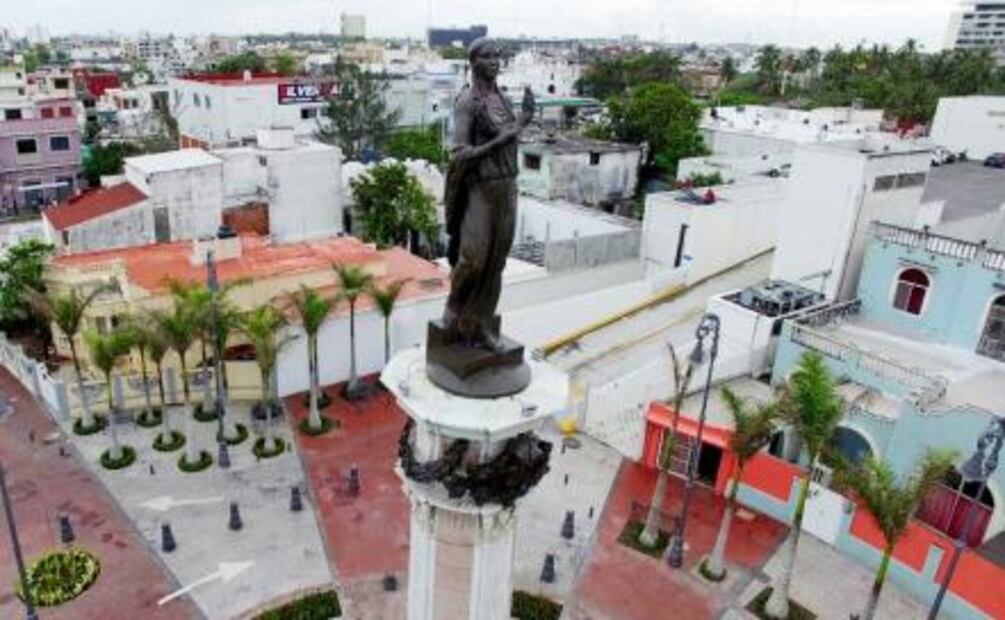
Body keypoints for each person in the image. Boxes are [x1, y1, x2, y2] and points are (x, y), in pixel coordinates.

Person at [443, 37, 534, 352]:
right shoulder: (467, 102)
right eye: (487, 56)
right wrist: (499, 141)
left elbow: (510, 136)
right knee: (473, 259)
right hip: (480, 189)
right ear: (473, 61)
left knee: (496, 262)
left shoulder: (502, 98)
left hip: (507, 187)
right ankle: (454, 306)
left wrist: (524, 119)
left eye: (497, 56)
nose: (494, 61)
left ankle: (480, 324)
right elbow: (458, 153)